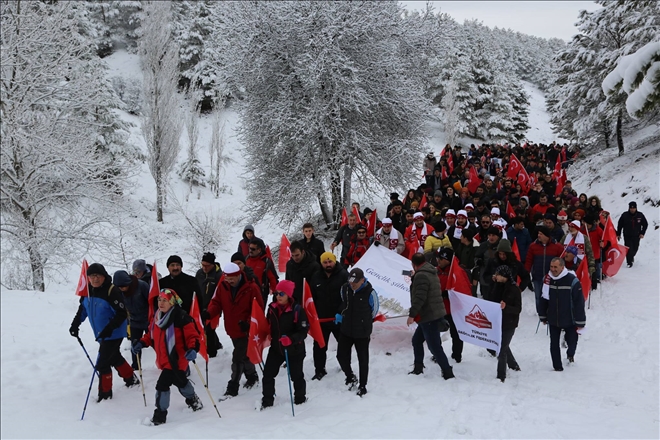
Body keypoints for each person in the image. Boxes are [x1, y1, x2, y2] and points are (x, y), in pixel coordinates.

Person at [132, 288, 203, 425]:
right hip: (164, 359)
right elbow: (151, 335)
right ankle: (193, 400)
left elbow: (192, 336)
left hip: (177, 359)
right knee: (180, 381)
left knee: (162, 385)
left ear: (172, 302)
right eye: (159, 299)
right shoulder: (157, 317)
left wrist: (193, 349)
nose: (161, 303)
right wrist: (142, 342)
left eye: (165, 300)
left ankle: (160, 415)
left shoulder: (181, 317)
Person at [69, 263, 139, 402]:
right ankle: (131, 378)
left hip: (114, 333)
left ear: (104, 276)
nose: (95, 279)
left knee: (102, 364)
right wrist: (75, 325)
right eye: (92, 276)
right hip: (101, 333)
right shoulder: (87, 291)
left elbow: (121, 313)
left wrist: (109, 329)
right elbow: (83, 310)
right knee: (114, 357)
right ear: (88, 278)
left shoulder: (111, 291)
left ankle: (105, 394)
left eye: (98, 276)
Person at [203, 262, 264, 398]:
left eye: (232, 278)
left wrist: (248, 324)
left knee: (237, 358)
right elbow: (216, 302)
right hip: (231, 328)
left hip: (246, 330)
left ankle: (232, 388)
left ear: (238, 275)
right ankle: (252, 376)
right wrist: (209, 313)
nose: (229, 280)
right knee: (245, 355)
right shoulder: (223, 286)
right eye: (227, 278)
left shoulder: (251, 287)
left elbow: (258, 308)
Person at [261, 280, 309, 409]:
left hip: (294, 349)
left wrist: (291, 339)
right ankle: (267, 400)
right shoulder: (272, 308)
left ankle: (300, 399)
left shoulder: (297, 310)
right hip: (277, 348)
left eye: (282, 293)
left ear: (289, 295)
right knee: (268, 374)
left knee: (296, 376)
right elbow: (267, 324)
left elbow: (304, 330)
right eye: (276, 293)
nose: (278, 296)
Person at [407, 253, 455, 379]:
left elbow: (419, 298)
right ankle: (418, 368)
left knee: (434, 347)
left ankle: (447, 372)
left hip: (428, 315)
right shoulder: (430, 271)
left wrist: (412, 314)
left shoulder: (421, 275)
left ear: (413, 264)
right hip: (431, 314)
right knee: (417, 341)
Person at [335, 268, 379, 397]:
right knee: (341, 356)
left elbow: (374, 310)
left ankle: (363, 385)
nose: (352, 284)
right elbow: (344, 302)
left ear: (362, 280)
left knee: (363, 359)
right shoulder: (345, 289)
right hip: (346, 329)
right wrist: (341, 315)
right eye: (350, 281)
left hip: (362, 331)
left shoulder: (370, 293)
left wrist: (363, 320)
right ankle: (350, 376)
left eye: (355, 282)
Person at [538, 258, 586, 371]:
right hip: (553, 318)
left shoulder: (572, 281)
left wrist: (580, 321)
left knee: (572, 341)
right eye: (551, 267)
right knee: (553, 343)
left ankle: (570, 354)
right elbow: (543, 299)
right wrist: (543, 315)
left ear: (562, 267)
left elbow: (579, 302)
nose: (553, 269)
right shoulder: (547, 280)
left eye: (556, 267)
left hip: (570, 318)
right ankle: (557, 367)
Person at [309, 252, 348, 380]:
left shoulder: (343, 275)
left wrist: (341, 312)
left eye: (330, 262)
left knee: (343, 345)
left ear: (334, 261)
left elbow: (347, 297)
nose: (328, 264)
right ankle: (320, 370)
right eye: (325, 262)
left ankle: (346, 367)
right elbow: (311, 297)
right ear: (321, 263)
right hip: (321, 319)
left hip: (338, 318)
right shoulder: (316, 277)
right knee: (319, 346)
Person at [488, 266, 522, 382]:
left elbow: (517, 309)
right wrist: (494, 284)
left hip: (509, 323)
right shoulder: (497, 286)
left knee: (502, 349)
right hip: (497, 321)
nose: (495, 276)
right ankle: (513, 365)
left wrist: (506, 308)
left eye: (498, 274)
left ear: (504, 276)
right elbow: (491, 298)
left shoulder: (514, 290)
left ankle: (501, 376)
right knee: (503, 345)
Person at [112, 270, 149, 370]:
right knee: (135, 345)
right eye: (119, 287)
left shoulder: (142, 286)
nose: (122, 289)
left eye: (123, 286)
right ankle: (136, 367)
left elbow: (152, 301)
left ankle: (166, 364)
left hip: (148, 320)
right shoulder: (118, 292)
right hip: (134, 321)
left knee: (156, 343)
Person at [524, 226, 565, 311]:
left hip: (552, 277)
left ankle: (551, 311)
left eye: (541, 234)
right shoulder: (533, 246)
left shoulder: (557, 247)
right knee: (538, 296)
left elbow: (562, 261)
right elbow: (529, 260)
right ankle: (540, 312)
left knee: (551, 295)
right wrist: (526, 273)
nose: (538, 235)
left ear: (546, 236)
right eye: (538, 233)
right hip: (537, 276)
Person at [435, 248, 464, 363]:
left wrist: (448, 293)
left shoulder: (457, 272)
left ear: (447, 260)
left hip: (454, 310)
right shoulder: (435, 271)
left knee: (456, 334)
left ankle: (457, 355)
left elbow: (463, 289)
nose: (438, 261)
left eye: (441, 259)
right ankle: (438, 354)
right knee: (436, 334)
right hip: (439, 308)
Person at [195, 252, 223, 357]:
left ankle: (211, 352)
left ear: (213, 264)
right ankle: (217, 344)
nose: (204, 268)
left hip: (214, 306)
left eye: (207, 266)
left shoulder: (219, 275)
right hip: (201, 305)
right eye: (203, 265)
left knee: (210, 328)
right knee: (205, 327)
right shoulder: (199, 273)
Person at [246, 237, 279, 307]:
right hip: (246, 293)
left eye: (253, 249)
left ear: (259, 250)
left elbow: (273, 278)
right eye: (249, 248)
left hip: (261, 294)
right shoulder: (246, 259)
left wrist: (276, 293)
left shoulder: (266, 262)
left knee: (258, 316)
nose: (250, 251)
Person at [616, 201, 648, 267]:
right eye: (631, 208)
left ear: (636, 208)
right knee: (628, 248)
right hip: (627, 235)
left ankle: (631, 257)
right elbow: (620, 225)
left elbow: (645, 224)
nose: (632, 209)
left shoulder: (640, 215)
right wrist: (618, 234)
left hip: (636, 235)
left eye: (633, 208)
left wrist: (642, 233)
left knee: (635, 248)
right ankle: (629, 262)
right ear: (629, 208)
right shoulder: (625, 215)